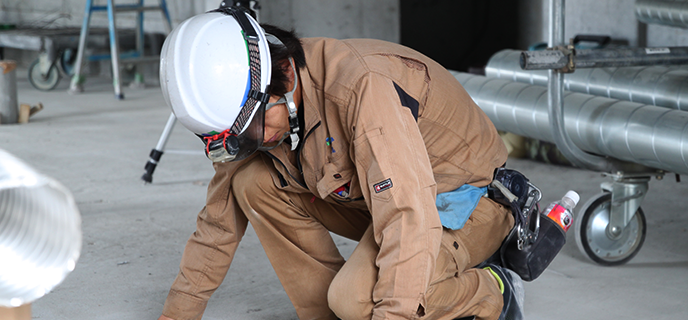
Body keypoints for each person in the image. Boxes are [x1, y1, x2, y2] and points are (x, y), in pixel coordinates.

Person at [157, 5, 524, 320]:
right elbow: (218, 222)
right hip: (380, 197)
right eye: (241, 138)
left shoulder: (362, 88)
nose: (258, 140)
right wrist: (178, 312)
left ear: (284, 73)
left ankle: (492, 290)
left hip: (463, 201)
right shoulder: (251, 108)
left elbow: (406, 214)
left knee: (355, 301)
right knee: (251, 181)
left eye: (254, 128)